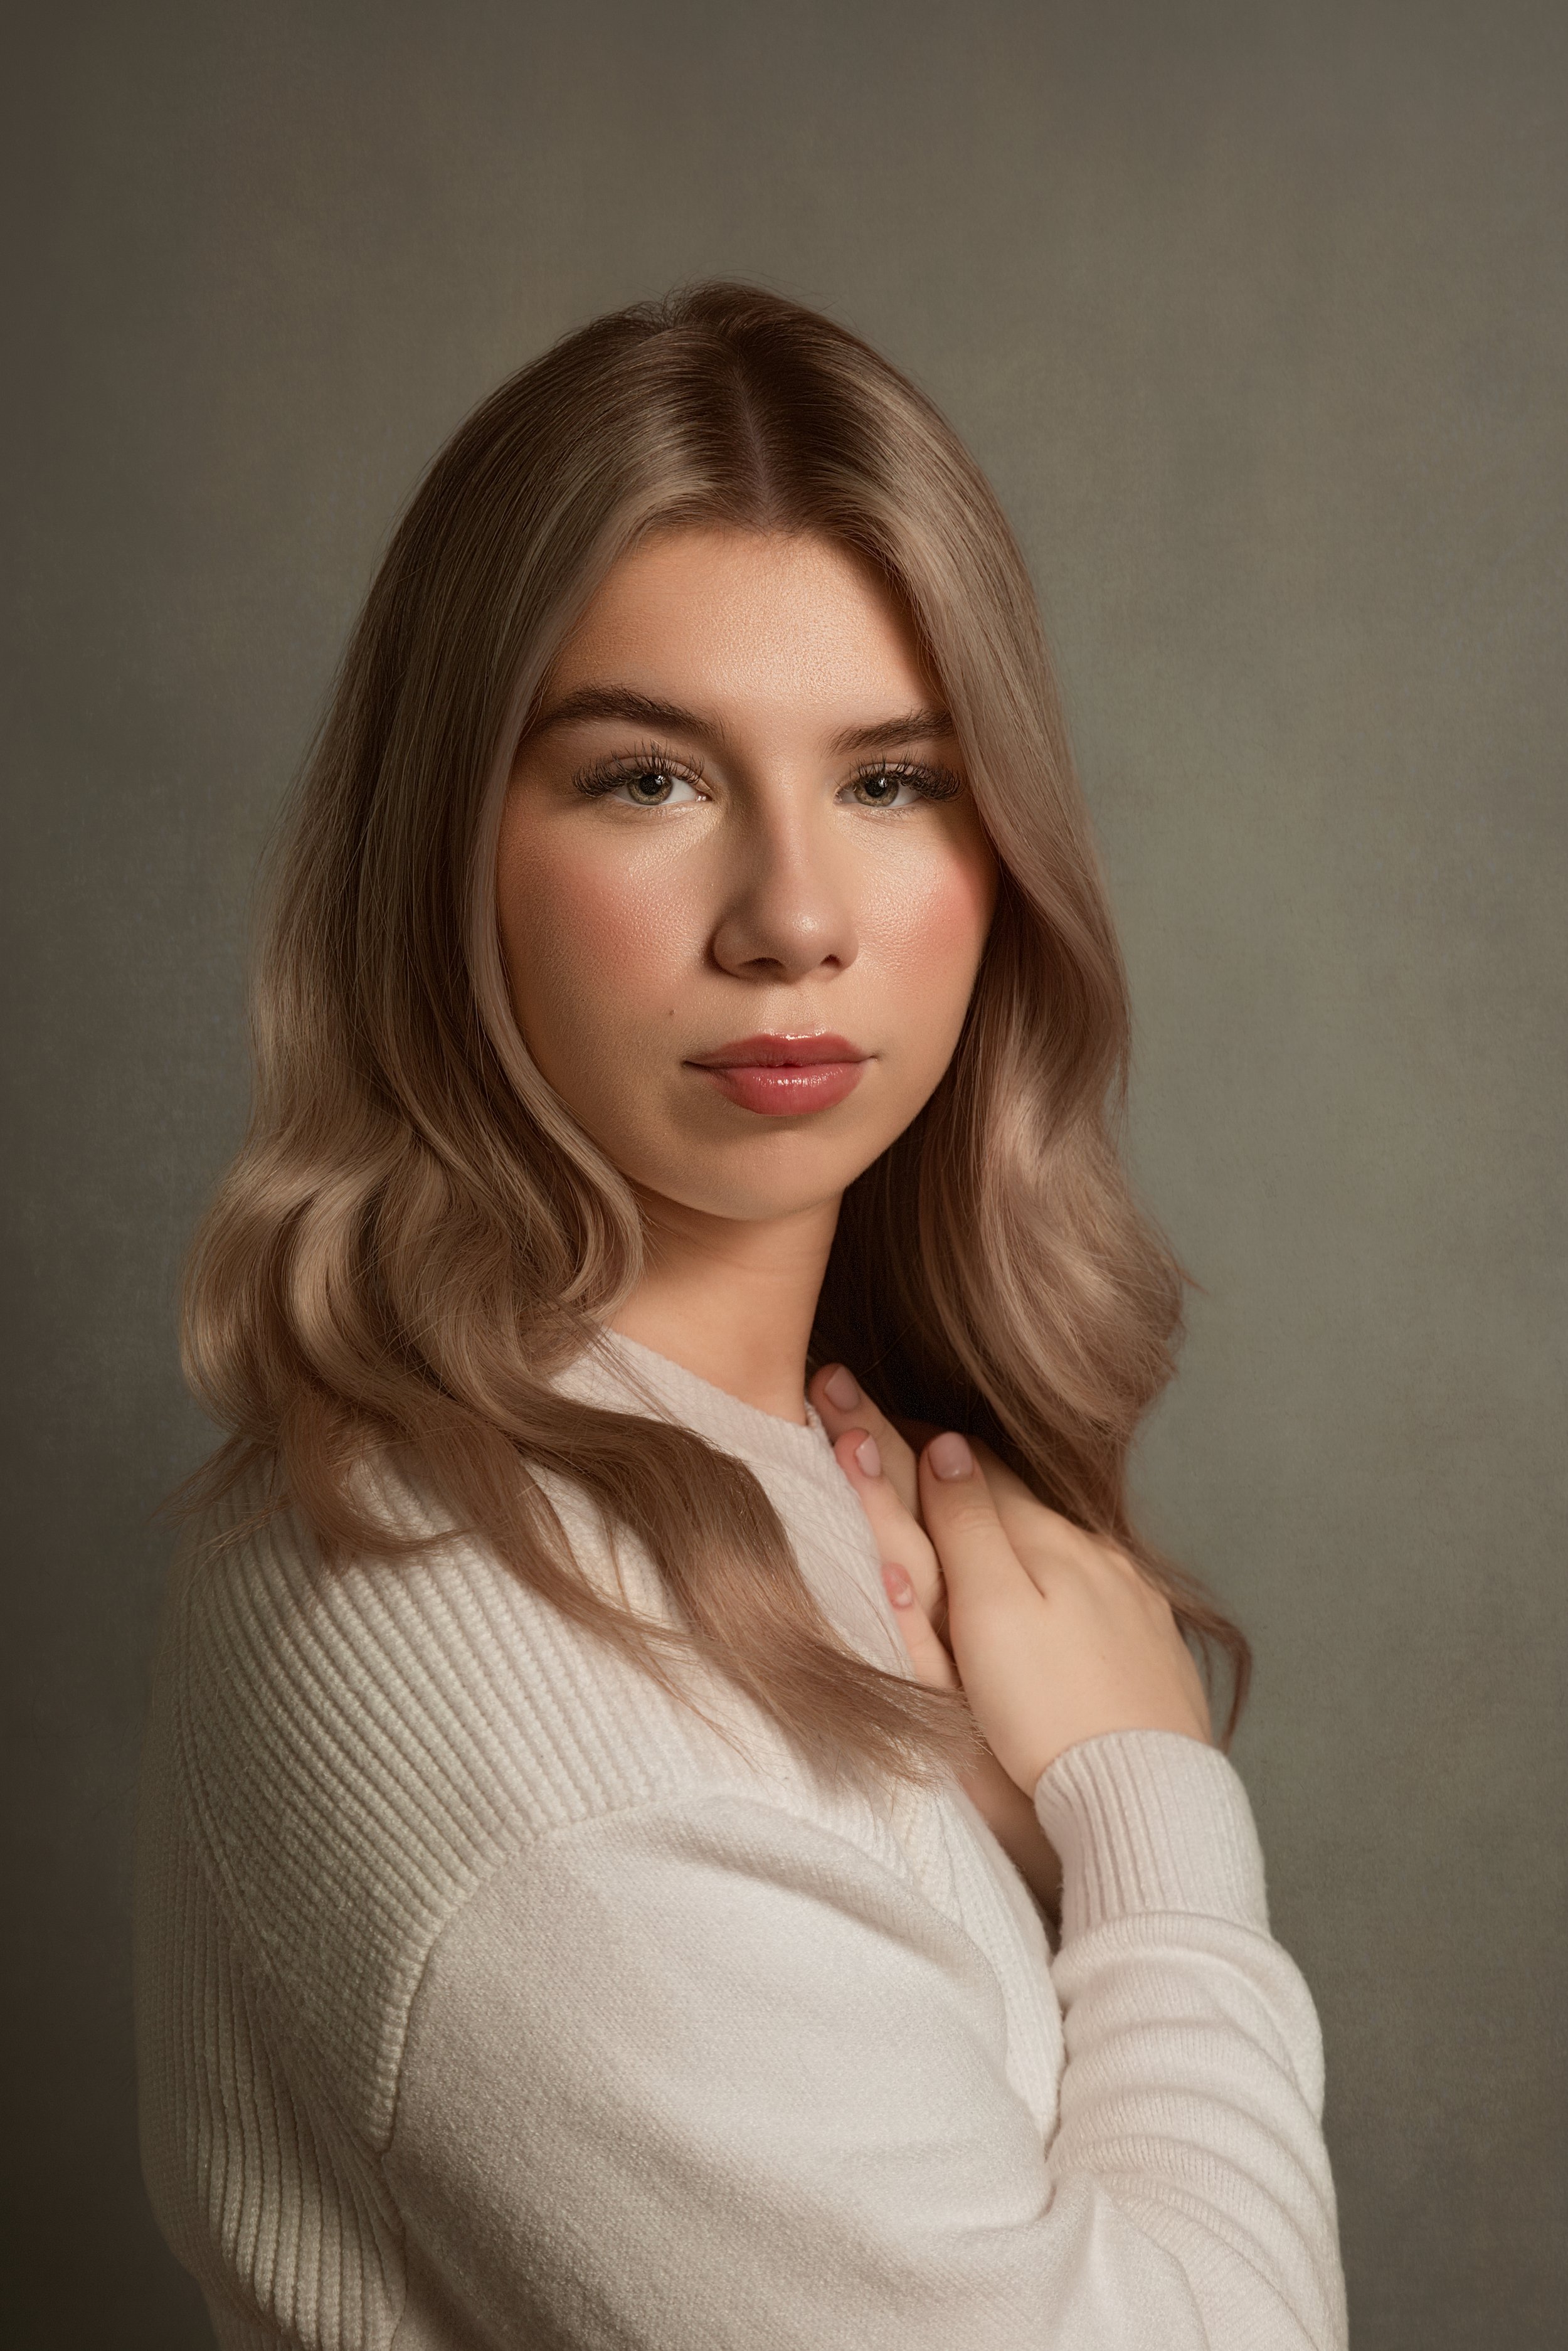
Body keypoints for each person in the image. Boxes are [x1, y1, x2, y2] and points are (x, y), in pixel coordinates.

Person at [133, 282, 1348, 2349]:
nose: (792, 913)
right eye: (646, 779)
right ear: (448, 853)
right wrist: (1148, 1814)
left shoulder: (784, 1476)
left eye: (891, 781)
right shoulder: (566, 1754)